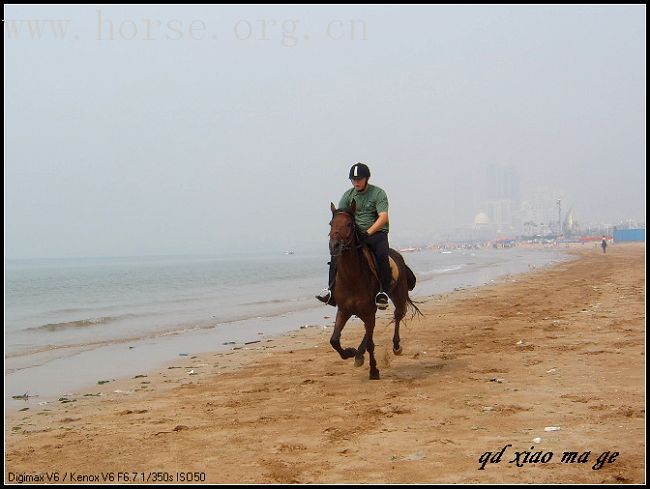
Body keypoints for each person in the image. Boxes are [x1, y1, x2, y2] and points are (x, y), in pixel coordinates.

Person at [316, 162, 392, 309]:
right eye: (353, 179)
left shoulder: (378, 193)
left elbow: (383, 217)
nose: (356, 182)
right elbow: (341, 216)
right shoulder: (347, 195)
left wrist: (368, 232)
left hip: (376, 233)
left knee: (382, 256)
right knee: (336, 255)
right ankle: (331, 291)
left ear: (367, 178)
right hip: (355, 234)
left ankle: (383, 293)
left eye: (359, 179)